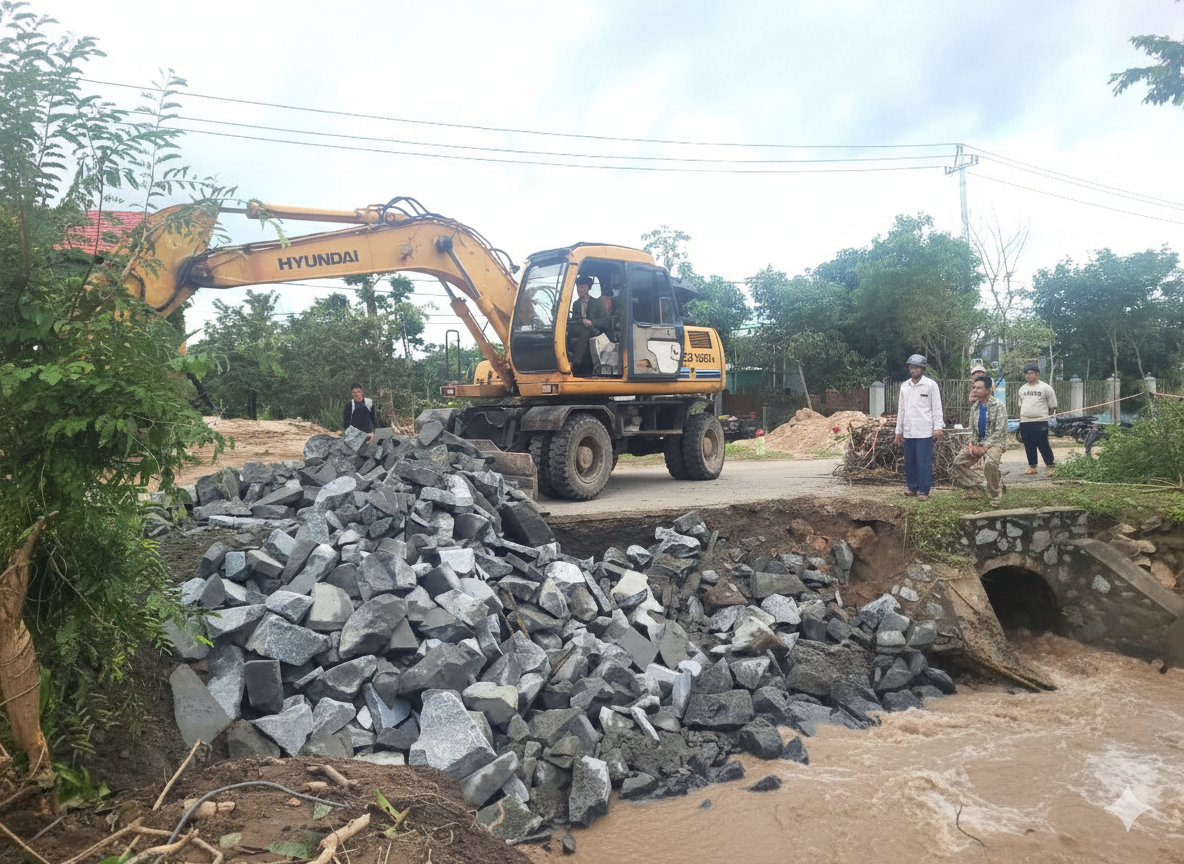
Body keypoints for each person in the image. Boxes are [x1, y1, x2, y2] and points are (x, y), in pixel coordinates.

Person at [894, 354, 944, 501]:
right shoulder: (905, 386)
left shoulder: (930, 385)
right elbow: (901, 410)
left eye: (918, 367)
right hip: (909, 430)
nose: (914, 370)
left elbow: (936, 407)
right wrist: (899, 431)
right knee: (910, 462)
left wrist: (938, 427)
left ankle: (923, 490)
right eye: (912, 367)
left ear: (923, 369)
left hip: (924, 431)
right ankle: (912, 487)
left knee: (923, 462)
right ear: (909, 368)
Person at [953, 374, 1008, 508]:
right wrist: (972, 445)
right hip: (978, 443)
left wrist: (985, 446)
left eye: (978, 388)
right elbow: (972, 429)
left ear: (988, 390)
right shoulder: (975, 407)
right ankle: (984, 482)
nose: (975, 390)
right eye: (974, 387)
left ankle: (995, 494)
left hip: (995, 443)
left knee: (989, 464)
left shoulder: (998, 406)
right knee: (958, 463)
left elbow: (1000, 430)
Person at [1017, 361, 1057, 476]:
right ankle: (1032, 466)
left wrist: (1048, 418)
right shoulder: (1022, 389)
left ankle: (1051, 466)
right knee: (1029, 445)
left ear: (1037, 374)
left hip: (1040, 421)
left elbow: (1052, 405)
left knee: (1043, 444)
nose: (1029, 376)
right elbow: (1020, 404)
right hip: (1025, 421)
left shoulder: (1046, 388)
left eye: (1031, 373)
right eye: (1027, 374)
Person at [567, 274, 607, 373]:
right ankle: (565, 354)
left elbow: (605, 321)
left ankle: (577, 361)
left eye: (582, 287)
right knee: (566, 330)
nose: (579, 290)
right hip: (579, 328)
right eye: (578, 287)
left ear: (587, 288)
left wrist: (591, 322)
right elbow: (574, 320)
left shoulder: (597, 303)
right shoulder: (576, 304)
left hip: (593, 330)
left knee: (585, 334)